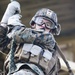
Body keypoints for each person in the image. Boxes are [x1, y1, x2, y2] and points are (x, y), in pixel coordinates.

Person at [4, 8, 61, 75]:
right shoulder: (20, 41)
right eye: (40, 21)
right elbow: (3, 43)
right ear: (33, 24)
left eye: (48, 25)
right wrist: (8, 13)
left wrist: (14, 27)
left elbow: (19, 34)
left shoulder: (49, 41)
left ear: (51, 30)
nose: (43, 26)